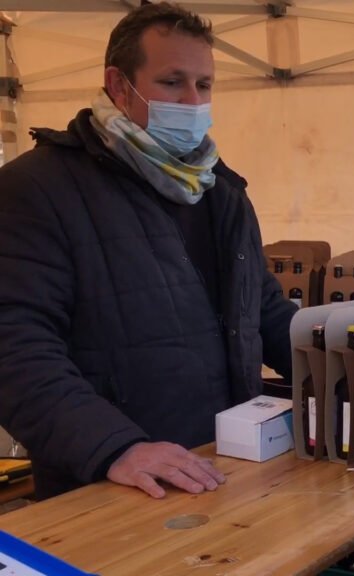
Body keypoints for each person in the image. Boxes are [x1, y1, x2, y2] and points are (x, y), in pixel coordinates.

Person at [0, 3, 296, 500]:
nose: (191, 101)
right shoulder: (36, 189)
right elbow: (14, 347)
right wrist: (114, 447)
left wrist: (348, 371)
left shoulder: (220, 190)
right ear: (119, 86)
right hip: (113, 484)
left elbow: (261, 309)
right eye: (172, 82)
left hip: (226, 466)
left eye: (204, 85)